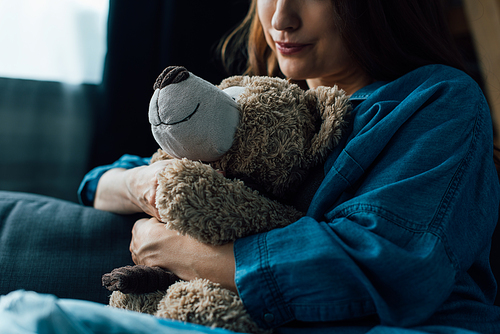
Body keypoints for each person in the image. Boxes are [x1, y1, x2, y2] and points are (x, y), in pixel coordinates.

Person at [0, 0, 499, 333]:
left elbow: (386, 264)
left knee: (28, 318)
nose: (280, 18)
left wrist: (181, 250)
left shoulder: (437, 100)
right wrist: (149, 183)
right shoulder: (257, 104)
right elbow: (102, 180)